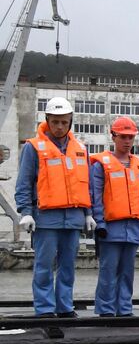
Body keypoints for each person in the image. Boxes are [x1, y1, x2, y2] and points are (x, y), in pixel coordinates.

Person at [15, 96, 93, 317]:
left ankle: (64, 307)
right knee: (44, 266)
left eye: (64, 122)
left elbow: (85, 185)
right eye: (55, 121)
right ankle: (45, 309)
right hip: (46, 218)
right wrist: (26, 212)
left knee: (68, 266)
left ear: (71, 122)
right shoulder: (33, 148)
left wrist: (88, 213)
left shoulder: (80, 148)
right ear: (47, 120)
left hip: (74, 217)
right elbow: (24, 183)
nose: (60, 127)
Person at [89, 117, 139, 317]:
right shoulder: (101, 165)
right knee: (108, 271)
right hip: (110, 228)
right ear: (113, 136)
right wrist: (99, 222)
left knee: (127, 272)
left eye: (130, 137)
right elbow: (96, 195)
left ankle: (124, 309)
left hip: (133, 228)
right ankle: (106, 310)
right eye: (123, 137)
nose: (127, 141)